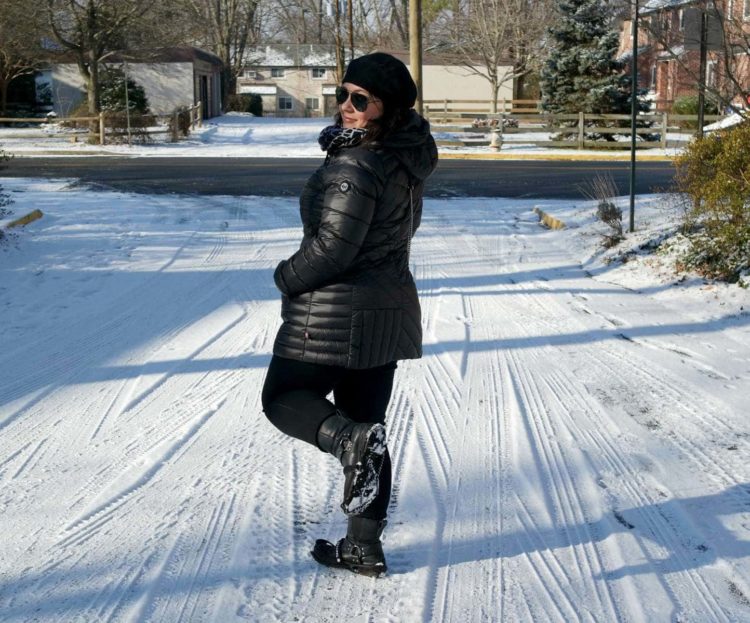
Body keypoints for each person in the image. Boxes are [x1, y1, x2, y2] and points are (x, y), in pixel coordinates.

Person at [261, 52, 437, 577]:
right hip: (386, 308)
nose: (345, 107)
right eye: (343, 95)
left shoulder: (356, 164)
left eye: (360, 100)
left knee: (284, 399)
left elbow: (334, 248)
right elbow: (399, 231)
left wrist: (287, 277)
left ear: (386, 110)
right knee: (370, 427)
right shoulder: (402, 158)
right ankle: (362, 546)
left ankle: (345, 442)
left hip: (334, 311)